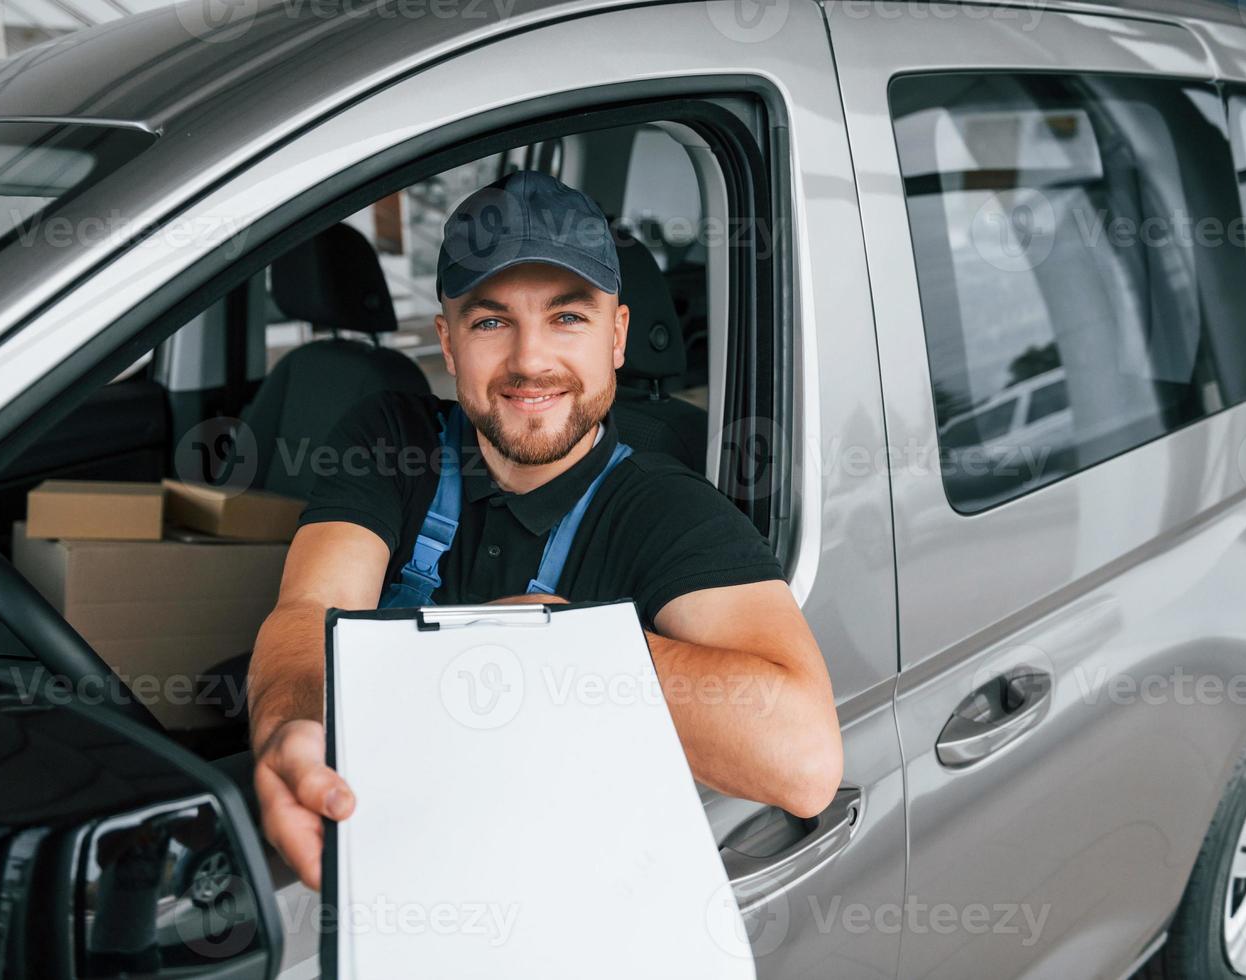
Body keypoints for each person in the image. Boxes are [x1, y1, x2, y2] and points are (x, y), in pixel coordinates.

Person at [248, 170, 842, 888]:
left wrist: (563, 647)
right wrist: (292, 730)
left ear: (617, 335)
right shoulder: (391, 441)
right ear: (448, 339)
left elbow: (805, 760)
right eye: (492, 321)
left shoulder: (658, 507)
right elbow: (310, 608)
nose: (530, 360)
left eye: (568, 318)